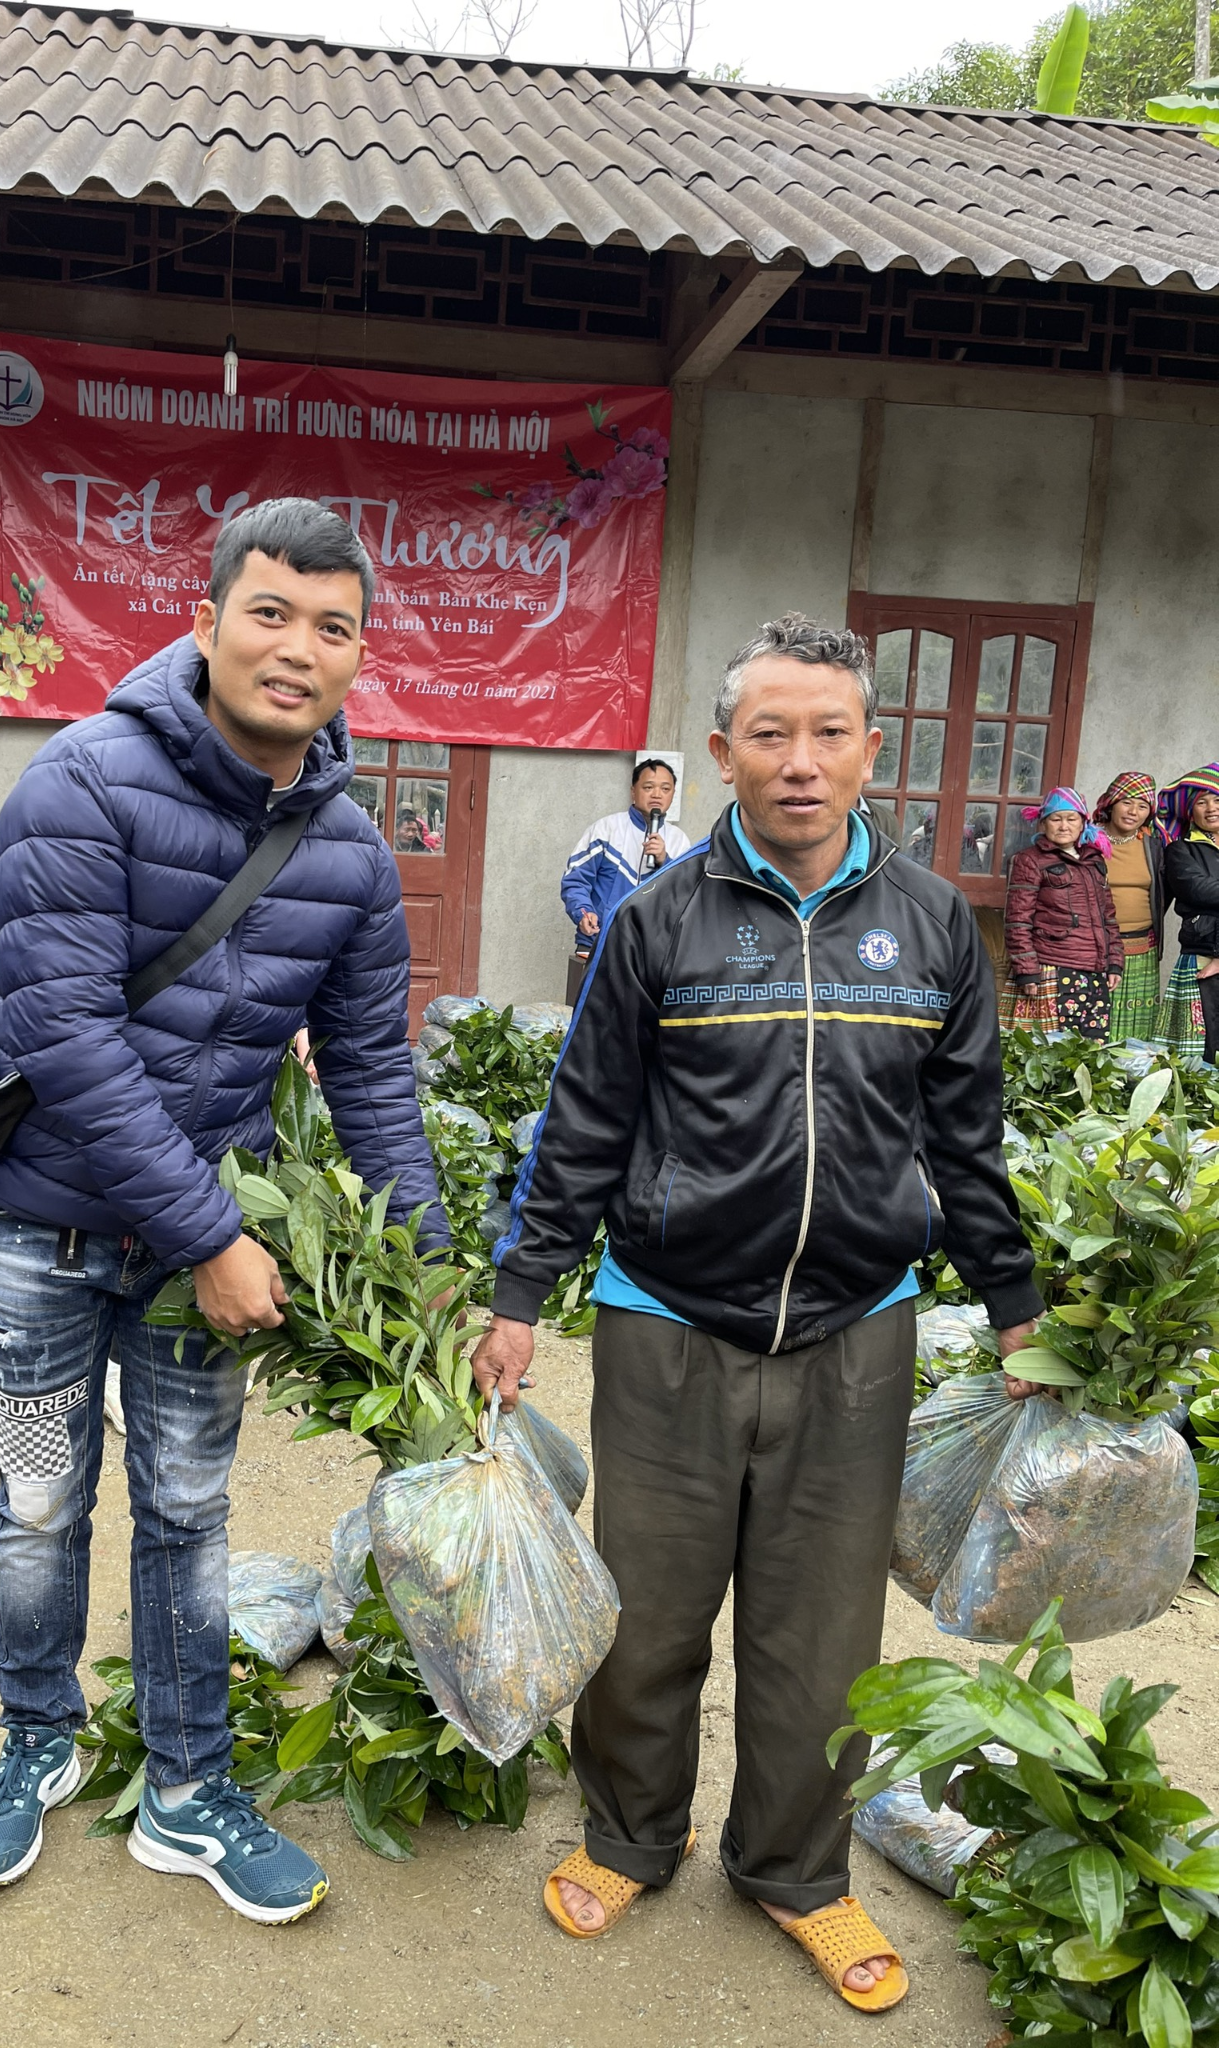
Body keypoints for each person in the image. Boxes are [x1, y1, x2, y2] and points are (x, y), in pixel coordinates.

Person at [472, 613, 1043, 2010]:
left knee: (824, 1629)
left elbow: (967, 1136)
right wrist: (520, 1293)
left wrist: (1020, 1306)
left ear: (870, 753)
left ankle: (797, 1870)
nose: (801, 762)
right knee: (650, 1612)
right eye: (770, 736)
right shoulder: (661, 921)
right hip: (668, 1312)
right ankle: (630, 1834)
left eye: (829, 733)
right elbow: (588, 1117)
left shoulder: (926, 928)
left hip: (860, 1322)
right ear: (723, 755)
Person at [0, 499, 448, 1922]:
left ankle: (186, 1789)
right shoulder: (79, 785)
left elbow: (371, 1076)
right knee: (37, 1495)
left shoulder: (348, 855)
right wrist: (216, 1237)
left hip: (187, 1271)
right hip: (37, 1244)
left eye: (332, 627)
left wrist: (424, 1262)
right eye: (272, 613)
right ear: (207, 619)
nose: (298, 649)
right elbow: (67, 1045)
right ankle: (32, 1739)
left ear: (359, 656)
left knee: (186, 1512)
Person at [1002, 788, 1123, 1038]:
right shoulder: (1030, 860)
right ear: (1043, 823)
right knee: (1050, 1051)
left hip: (1093, 971)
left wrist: (1114, 963)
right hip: (1052, 969)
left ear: (1083, 823)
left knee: (1091, 1051)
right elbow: (1017, 919)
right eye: (1056, 819)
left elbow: (1108, 917)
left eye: (1071, 819)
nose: (1064, 826)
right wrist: (1027, 971)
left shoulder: (1094, 861)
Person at [562, 760, 691, 948]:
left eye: (665, 789)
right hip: (598, 943)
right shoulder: (606, 829)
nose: (657, 794)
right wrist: (583, 912)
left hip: (650, 951)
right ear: (633, 791)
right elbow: (575, 880)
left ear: (673, 794)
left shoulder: (679, 841)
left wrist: (665, 862)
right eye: (648, 787)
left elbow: (688, 894)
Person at [1092, 771, 1165, 1042]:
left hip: (1142, 949)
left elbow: (1161, 895)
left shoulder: (1153, 846)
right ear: (1111, 803)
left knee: (1138, 1033)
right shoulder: (1089, 841)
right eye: (1127, 802)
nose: (1133, 811)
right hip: (1097, 948)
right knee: (1094, 1025)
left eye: (1143, 805)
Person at [1156, 766, 1219, 1063]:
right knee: (1203, 1046)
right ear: (1190, 812)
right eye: (1202, 802)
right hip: (1202, 953)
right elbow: (1196, 889)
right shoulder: (1181, 850)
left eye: (1217, 800)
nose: (1211, 809)